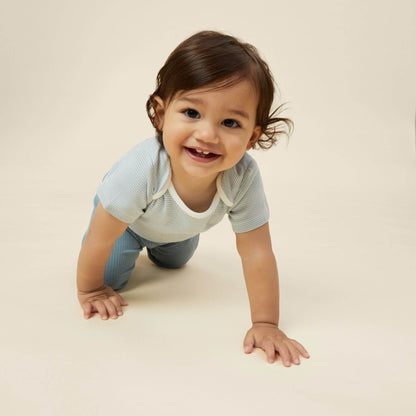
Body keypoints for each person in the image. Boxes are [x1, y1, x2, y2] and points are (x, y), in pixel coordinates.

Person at [76, 30, 310, 366]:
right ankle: (111, 268)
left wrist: (265, 323)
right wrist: (90, 289)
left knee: (173, 263)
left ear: (251, 137)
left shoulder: (242, 176)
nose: (207, 134)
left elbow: (257, 251)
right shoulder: (140, 170)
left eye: (230, 122)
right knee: (111, 279)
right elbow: (102, 235)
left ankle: (161, 247)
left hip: (179, 229)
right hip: (123, 223)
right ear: (160, 113)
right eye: (191, 113)